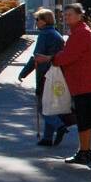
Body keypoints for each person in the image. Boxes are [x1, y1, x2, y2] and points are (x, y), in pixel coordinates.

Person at [35, 3, 91, 165]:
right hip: (88, 82)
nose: (66, 17)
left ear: (79, 15)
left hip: (86, 83)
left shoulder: (81, 33)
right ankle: (85, 150)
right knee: (85, 119)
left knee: (84, 119)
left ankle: (84, 152)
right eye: (65, 15)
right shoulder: (80, 32)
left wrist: (49, 59)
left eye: (69, 14)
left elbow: (68, 56)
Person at [19, 8, 70, 146]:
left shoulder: (45, 35)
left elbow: (37, 56)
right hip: (56, 73)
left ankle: (59, 126)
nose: (36, 22)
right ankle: (47, 137)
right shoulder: (55, 33)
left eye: (37, 19)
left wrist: (24, 72)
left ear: (44, 20)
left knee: (43, 107)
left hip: (45, 74)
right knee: (49, 105)